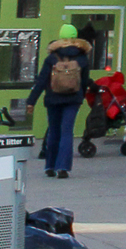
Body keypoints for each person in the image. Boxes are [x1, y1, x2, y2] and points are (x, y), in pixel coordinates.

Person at [29, 24, 93, 179]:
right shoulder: (82, 58)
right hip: (73, 100)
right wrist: (80, 96)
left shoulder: (51, 58)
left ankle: (50, 166)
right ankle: (63, 168)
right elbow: (84, 82)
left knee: (53, 131)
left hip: (53, 99)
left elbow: (42, 80)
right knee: (67, 132)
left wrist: (31, 101)